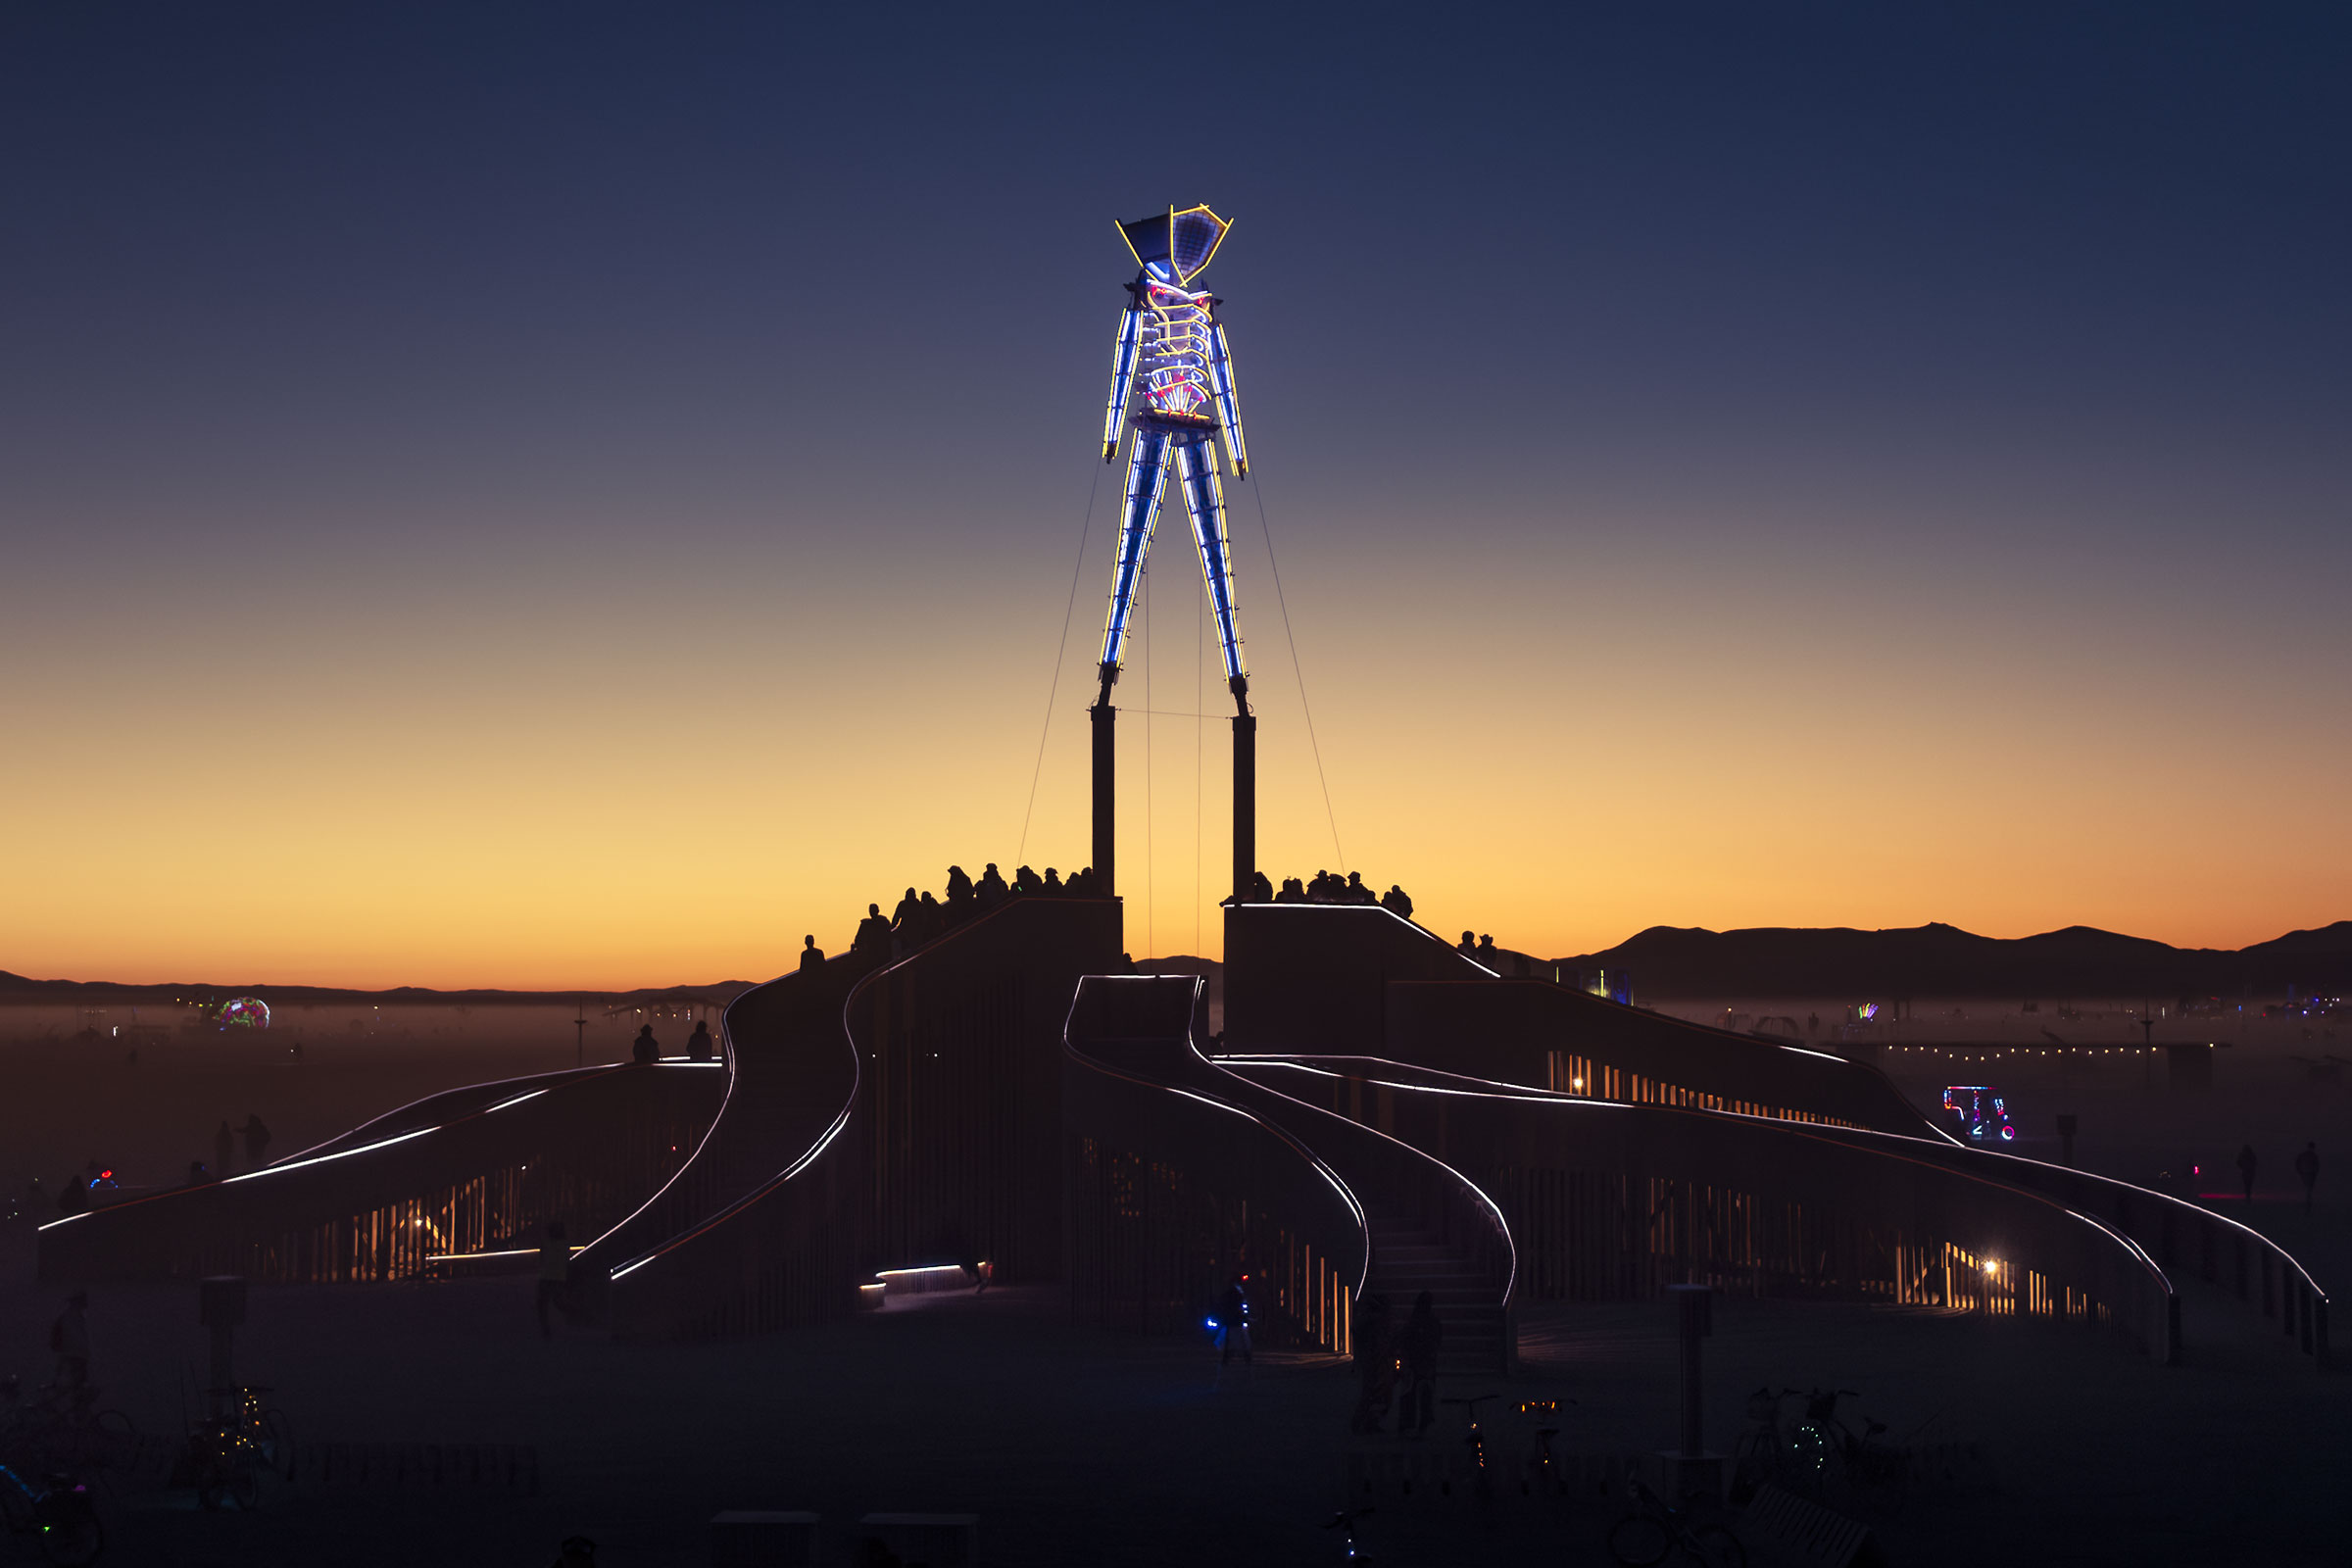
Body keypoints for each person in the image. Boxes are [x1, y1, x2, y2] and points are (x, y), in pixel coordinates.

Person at [1398, 1290, 1442, 1436]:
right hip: (1426, 1361)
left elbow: (1405, 1340)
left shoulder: (1412, 1321)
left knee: (1410, 1393)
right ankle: (1424, 1421)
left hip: (1414, 1362)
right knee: (1425, 1393)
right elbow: (1437, 1341)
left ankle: (1407, 1423)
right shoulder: (1432, 1321)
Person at [1349, 1292, 1392, 1433]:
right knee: (1371, 1393)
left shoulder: (1365, 1321)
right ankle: (1361, 1422)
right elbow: (1378, 1343)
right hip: (1373, 1360)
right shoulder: (1374, 1323)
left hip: (1369, 1359)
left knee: (1372, 1392)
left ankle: (1367, 1421)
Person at [51, 1289, 90, 1390]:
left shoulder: (70, 1315)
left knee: (76, 1383)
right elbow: (76, 1338)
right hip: (74, 1354)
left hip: (73, 1354)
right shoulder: (71, 1316)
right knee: (75, 1384)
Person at [536, 1220, 569, 1338]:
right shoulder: (565, 1244)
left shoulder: (546, 1243)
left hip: (546, 1276)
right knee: (559, 1302)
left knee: (542, 1305)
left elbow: (542, 1259)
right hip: (559, 1277)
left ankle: (545, 1329)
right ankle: (575, 1315)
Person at [1216, 1275, 1252, 1366]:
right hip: (1236, 1321)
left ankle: (1227, 1358)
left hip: (1230, 1321)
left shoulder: (1228, 1294)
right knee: (1241, 1340)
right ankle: (1246, 1357)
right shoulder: (1238, 1294)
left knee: (1230, 1340)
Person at [2295, 1142, 2320, 1213]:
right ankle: (2307, 1206)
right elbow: (2317, 1166)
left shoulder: (2303, 1155)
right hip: (2310, 1174)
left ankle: (2306, 1206)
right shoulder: (2314, 1155)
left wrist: (2300, 1172)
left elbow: (2297, 1163)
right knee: (2308, 1191)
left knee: (2307, 1190)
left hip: (2305, 1174)